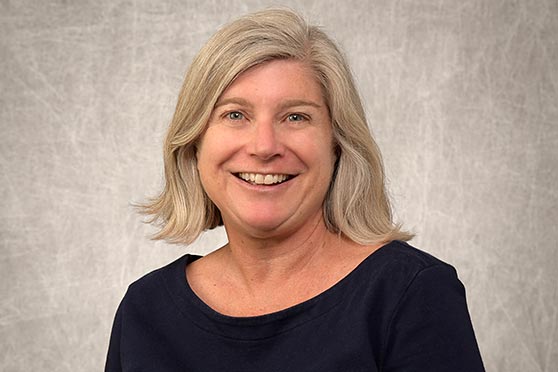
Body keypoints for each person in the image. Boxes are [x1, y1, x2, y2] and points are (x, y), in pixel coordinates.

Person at [105, 8, 485, 372]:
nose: (265, 146)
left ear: (336, 144)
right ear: (195, 143)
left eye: (296, 117)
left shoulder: (411, 294)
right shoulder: (145, 310)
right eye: (235, 114)